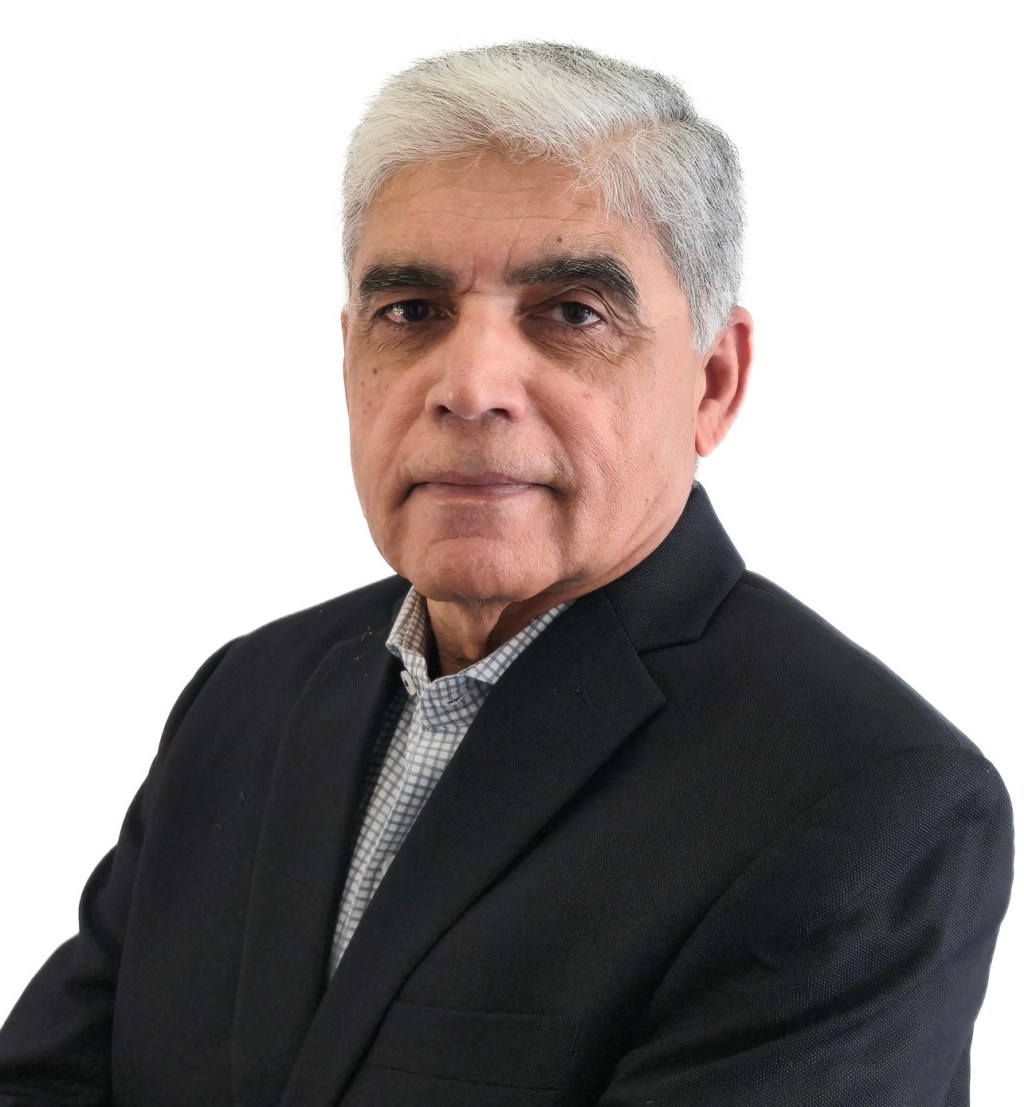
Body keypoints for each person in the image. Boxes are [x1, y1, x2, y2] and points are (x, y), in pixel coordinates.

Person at [0, 40, 1012, 1107]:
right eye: (411, 312)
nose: (469, 385)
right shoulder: (247, 694)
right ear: (349, 359)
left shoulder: (867, 798)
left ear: (713, 381)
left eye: (572, 312)